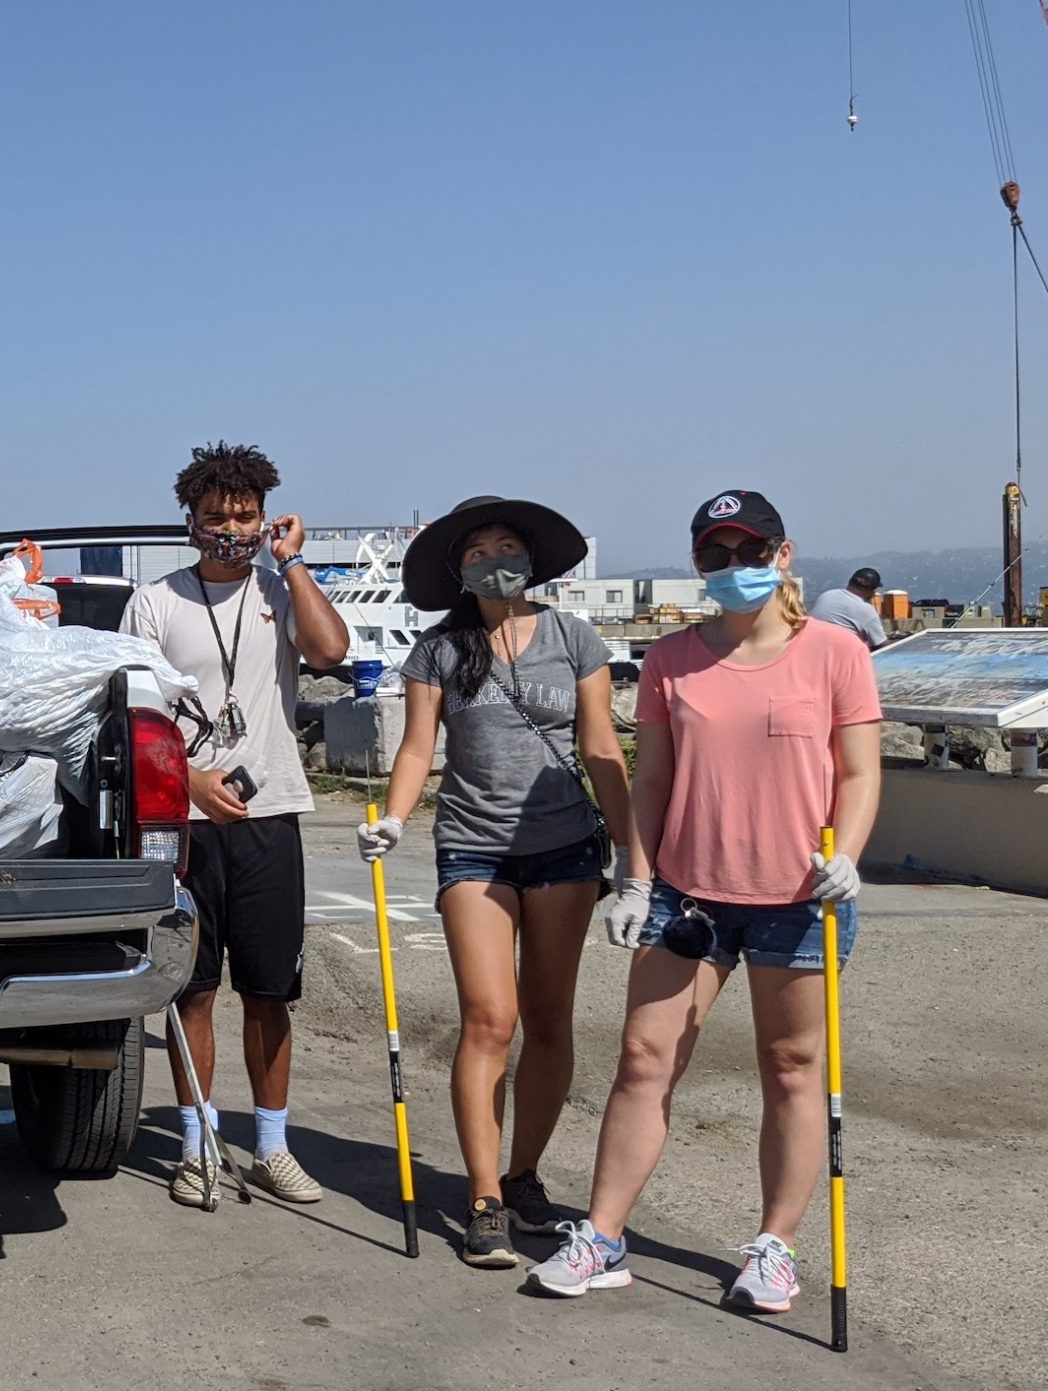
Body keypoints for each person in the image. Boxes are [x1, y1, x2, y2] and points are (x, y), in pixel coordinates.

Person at [527, 489, 881, 1316]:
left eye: (750, 552)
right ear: (697, 564)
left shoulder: (834, 652)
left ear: (782, 556)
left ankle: (775, 1246)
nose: (734, 568)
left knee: (792, 1068)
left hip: (799, 894)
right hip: (687, 895)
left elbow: (861, 770)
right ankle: (604, 1234)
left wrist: (850, 859)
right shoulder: (671, 661)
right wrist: (636, 877)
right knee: (643, 1061)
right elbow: (651, 779)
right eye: (716, 555)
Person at [359, 496, 632, 1267]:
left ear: (532, 557)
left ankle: (523, 1175)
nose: (494, 558)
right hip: (473, 847)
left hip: (565, 849)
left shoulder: (574, 637)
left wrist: (637, 856)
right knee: (489, 1017)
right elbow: (417, 748)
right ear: (459, 568)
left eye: (507, 545)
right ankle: (483, 1197)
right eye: (478, 549)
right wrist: (395, 819)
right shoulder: (438, 649)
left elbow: (602, 747)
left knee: (550, 1018)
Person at [122, 442, 351, 1208]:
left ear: (265, 520)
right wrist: (190, 777)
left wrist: (290, 563)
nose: (231, 527)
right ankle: (195, 1146)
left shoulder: (278, 590)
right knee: (192, 988)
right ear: (190, 523)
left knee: (269, 991)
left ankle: (273, 1146)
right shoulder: (154, 602)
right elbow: (137, 712)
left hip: (270, 811)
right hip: (182, 817)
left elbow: (330, 650)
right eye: (216, 516)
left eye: (245, 515)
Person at [807, 566, 888, 649]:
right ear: (871, 590)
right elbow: (881, 646)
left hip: (808, 646)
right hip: (836, 654)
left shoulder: (827, 594)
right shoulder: (866, 610)